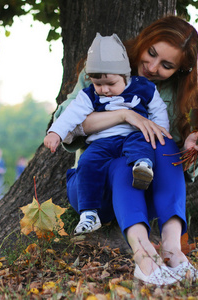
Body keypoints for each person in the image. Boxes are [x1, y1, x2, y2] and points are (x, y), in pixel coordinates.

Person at [55, 16, 198, 285]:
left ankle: (172, 251)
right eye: (151, 53)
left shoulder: (185, 97)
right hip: (93, 189)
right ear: (144, 41)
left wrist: (190, 148)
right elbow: (66, 122)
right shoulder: (105, 68)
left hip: (142, 195)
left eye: (167, 65)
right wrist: (124, 115)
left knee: (163, 143)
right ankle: (145, 257)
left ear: (181, 70)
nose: (152, 66)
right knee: (122, 159)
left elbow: (183, 167)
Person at [44, 33, 170, 236]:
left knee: (142, 142)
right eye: (97, 84)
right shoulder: (89, 96)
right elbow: (71, 115)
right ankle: (89, 214)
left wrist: (161, 132)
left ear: (125, 76)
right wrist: (55, 133)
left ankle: (143, 167)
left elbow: (158, 111)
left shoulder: (143, 87)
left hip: (133, 134)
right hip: (102, 141)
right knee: (87, 164)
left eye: (111, 84)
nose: (104, 90)